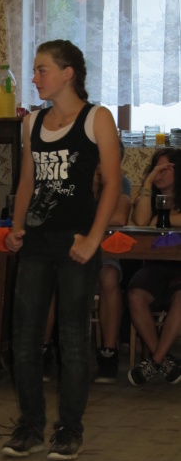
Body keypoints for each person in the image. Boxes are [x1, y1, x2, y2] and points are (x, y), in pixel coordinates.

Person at [2, 39, 121, 461]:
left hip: (76, 242)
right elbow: (27, 183)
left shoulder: (97, 118)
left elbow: (112, 182)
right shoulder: (32, 122)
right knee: (24, 338)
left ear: (68, 73)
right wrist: (16, 227)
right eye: (35, 70)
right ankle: (30, 426)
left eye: (42, 69)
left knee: (72, 338)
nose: (34, 77)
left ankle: (69, 429)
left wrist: (93, 238)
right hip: (36, 241)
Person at [127, 147, 181, 385]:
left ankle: (155, 361)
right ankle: (164, 361)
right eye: (154, 169)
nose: (157, 173)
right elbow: (141, 222)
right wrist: (147, 182)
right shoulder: (150, 196)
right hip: (156, 266)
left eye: (164, 169)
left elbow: (154, 222)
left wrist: (161, 219)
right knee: (135, 294)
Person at [94, 141, 132, 383]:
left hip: (104, 253)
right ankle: (44, 351)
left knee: (109, 277)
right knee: (49, 274)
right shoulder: (76, 180)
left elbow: (119, 218)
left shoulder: (121, 182)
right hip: (69, 251)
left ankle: (109, 353)